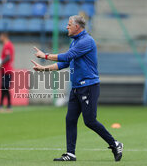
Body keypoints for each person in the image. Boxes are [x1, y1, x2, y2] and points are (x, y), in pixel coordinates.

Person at [31, 15, 123, 162]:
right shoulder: (75, 42)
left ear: (77, 27)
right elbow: (66, 62)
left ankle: (115, 144)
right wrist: (44, 69)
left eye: (69, 24)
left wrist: (45, 55)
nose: (66, 27)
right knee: (70, 119)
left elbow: (67, 56)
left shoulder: (86, 41)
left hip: (88, 86)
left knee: (90, 121)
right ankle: (70, 154)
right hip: (76, 87)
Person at [0, 32, 15, 112]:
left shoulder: (7, 45)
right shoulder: (7, 45)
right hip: (4, 70)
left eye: (0, 36)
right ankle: (1, 106)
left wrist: (0, 63)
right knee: (3, 88)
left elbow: (8, 57)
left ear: (4, 36)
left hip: (7, 70)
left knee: (5, 88)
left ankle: (8, 106)